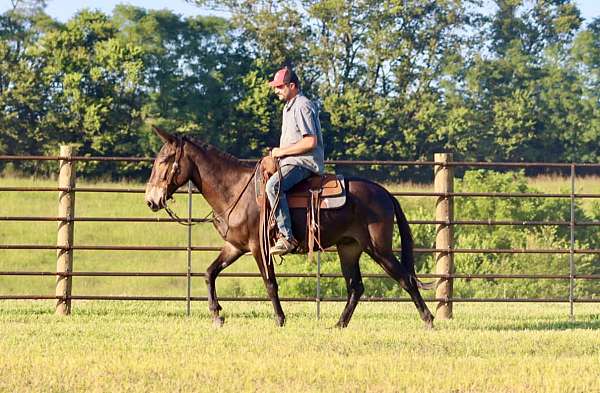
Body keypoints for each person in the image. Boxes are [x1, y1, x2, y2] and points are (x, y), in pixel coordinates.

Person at [266, 66, 325, 255]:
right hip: (292, 162)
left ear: (292, 86)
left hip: (303, 163)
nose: (276, 91)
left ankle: (287, 237)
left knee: (273, 187)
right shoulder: (289, 108)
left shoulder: (302, 105)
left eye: (280, 87)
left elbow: (310, 141)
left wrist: (281, 152)